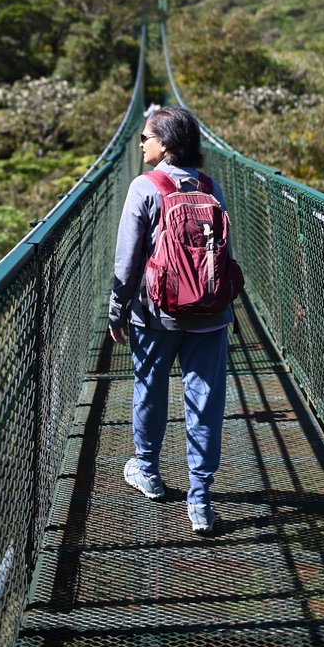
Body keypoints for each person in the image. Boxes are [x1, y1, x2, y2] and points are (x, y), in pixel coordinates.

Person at [109, 105, 233, 534]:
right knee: (205, 403)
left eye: (146, 136)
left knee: (149, 391)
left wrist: (117, 310)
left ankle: (149, 473)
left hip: (155, 314)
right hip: (211, 316)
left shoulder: (145, 187)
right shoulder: (212, 187)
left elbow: (127, 263)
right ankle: (200, 500)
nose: (140, 143)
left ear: (165, 144)